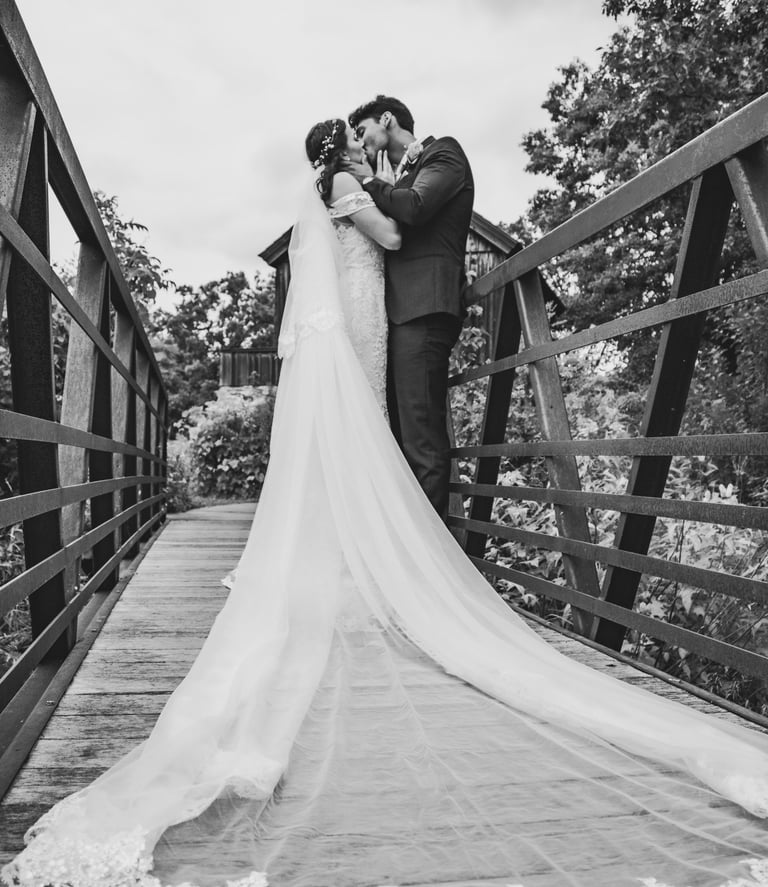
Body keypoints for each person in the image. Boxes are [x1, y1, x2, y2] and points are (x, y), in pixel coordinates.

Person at [3, 117, 768, 887]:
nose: (371, 145)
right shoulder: (344, 183)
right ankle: (380, 554)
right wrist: (369, 184)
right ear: (346, 148)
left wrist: (372, 188)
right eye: (361, 138)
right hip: (358, 323)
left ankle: (362, 548)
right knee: (366, 440)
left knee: (368, 442)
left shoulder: (351, 181)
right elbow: (393, 239)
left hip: (368, 319)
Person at [344, 95, 474, 523]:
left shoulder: (444, 153)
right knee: (400, 436)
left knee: (421, 439)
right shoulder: (396, 174)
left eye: (362, 132)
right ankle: (407, 546)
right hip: (400, 316)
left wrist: (369, 182)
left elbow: (415, 208)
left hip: (425, 310)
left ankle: (430, 562)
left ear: (388, 120)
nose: (360, 144)